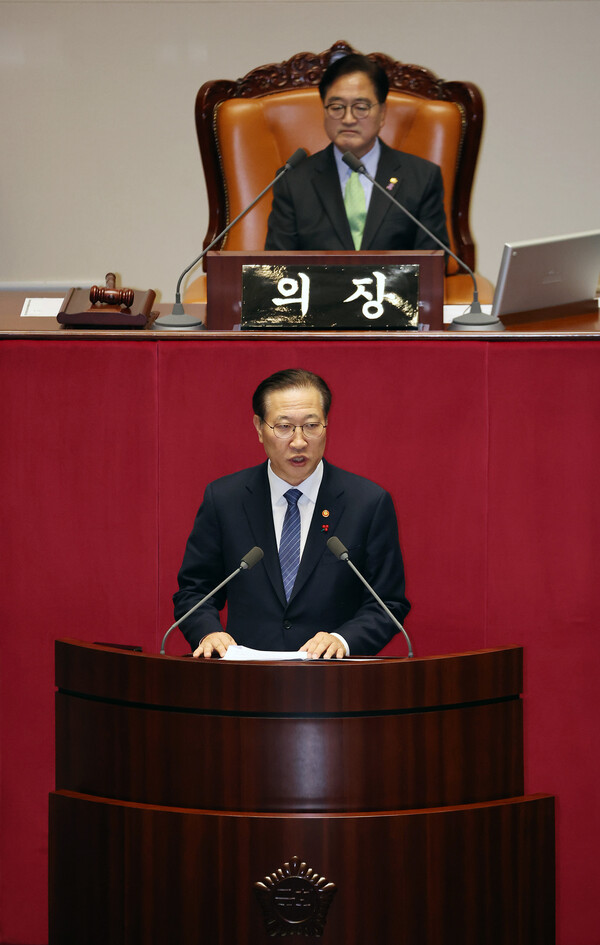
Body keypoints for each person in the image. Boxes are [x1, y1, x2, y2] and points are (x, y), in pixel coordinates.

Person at [174, 368, 410, 659]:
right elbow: (194, 591)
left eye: (311, 426)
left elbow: (388, 602)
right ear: (259, 428)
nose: (299, 442)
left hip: (336, 682)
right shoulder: (225, 499)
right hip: (243, 682)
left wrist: (343, 640)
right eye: (284, 427)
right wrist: (208, 632)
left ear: (326, 424)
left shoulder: (368, 503)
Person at [264, 53, 449, 253]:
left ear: (383, 113)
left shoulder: (421, 178)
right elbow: (278, 265)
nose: (348, 118)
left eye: (361, 107)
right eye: (337, 107)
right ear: (324, 111)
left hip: (394, 285)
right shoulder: (293, 182)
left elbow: (433, 262)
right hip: (317, 285)